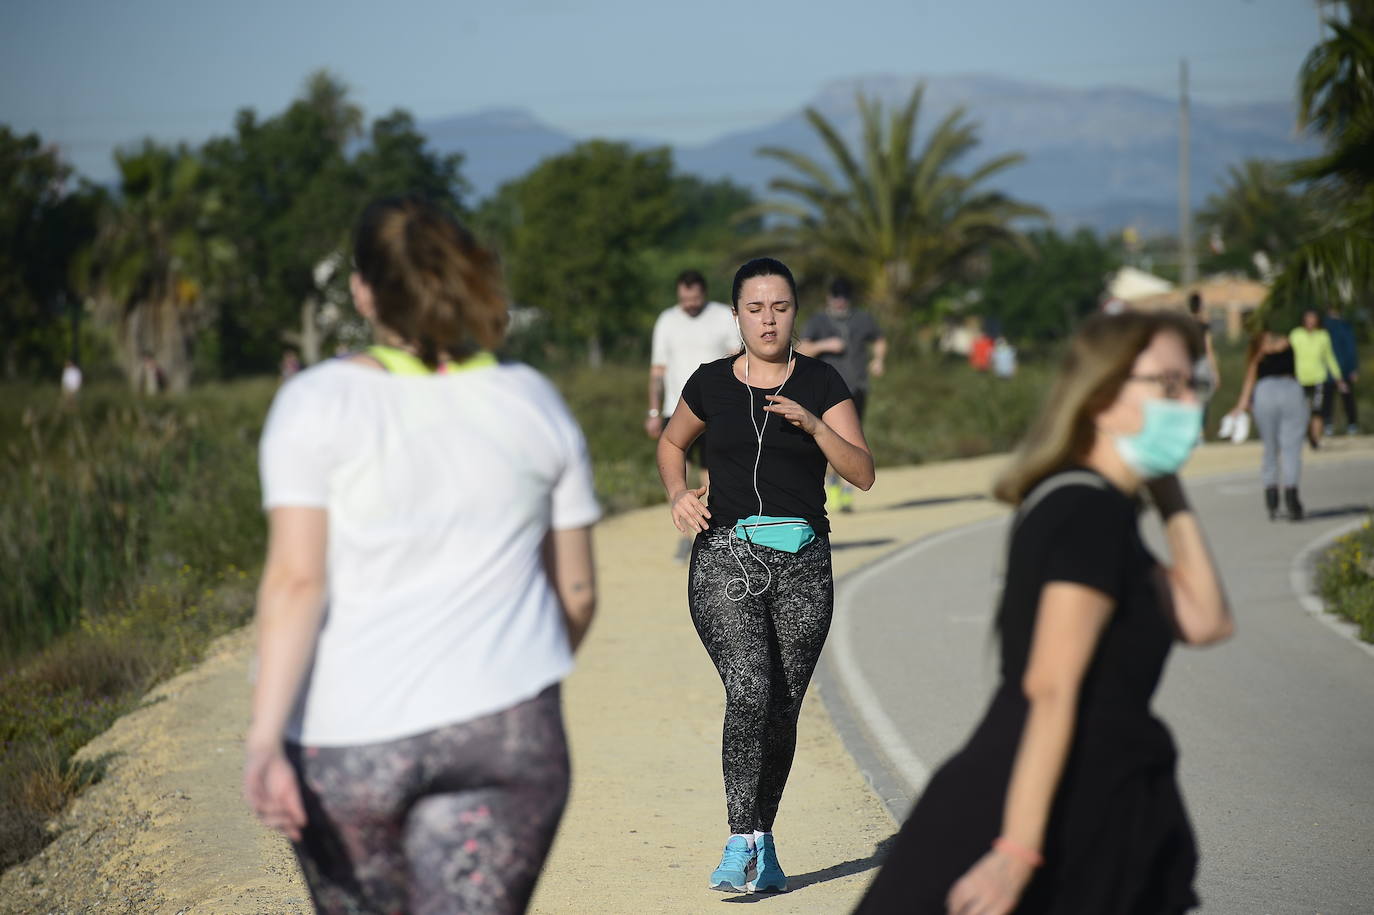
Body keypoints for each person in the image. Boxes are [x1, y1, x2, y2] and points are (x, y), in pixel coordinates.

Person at [244, 195, 600, 914]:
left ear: (362, 290)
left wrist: (262, 740)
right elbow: (579, 593)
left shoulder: (315, 404)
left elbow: (296, 580)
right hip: (506, 731)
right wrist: (511, 674)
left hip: (351, 738)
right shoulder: (532, 399)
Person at [856, 311, 1233, 914]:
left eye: (1193, 385)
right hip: (1035, 804)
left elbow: (1207, 619)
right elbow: (1050, 689)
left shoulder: (1105, 508)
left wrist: (1167, 489)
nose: (1188, 402)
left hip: (1096, 792)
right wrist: (1017, 855)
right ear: (1101, 397)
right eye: (1168, 385)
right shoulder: (1085, 514)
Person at [658, 257, 874, 895]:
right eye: (755, 308)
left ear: (795, 312)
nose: (768, 319)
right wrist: (678, 494)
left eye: (780, 306)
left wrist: (813, 425)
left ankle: (763, 841)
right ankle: (737, 839)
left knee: (782, 709)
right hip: (726, 555)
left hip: (804, 563)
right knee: (750, 689)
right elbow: (673, 446)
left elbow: (861, 471)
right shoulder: (709, 384)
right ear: (736, 315)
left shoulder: (824, 382)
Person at [647, 269, 740, 559]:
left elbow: (737, 354)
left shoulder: (723, 316)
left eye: (695, 298)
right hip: (675, 407)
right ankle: (685, 534)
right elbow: (657, 370)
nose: (690, 303)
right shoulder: (667, 320)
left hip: (715, 407)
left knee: (711, 471)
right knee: (675, 470)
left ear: (704, 293)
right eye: (685, 298)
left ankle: (713, 529)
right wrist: (652, 409)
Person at [798, 277, 886, 512]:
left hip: (857, 387)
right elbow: (801, 349)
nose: (840, 302)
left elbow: (879, 339)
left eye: (844, 297)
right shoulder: (818, 321)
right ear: (829, 297)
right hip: (827, 391)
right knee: (830, 437)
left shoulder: (863, 318)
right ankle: (832, 482)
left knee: (853, 440)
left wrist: (878, 360)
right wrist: (825, 345)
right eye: (836, 297)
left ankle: (847, 491)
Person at [1228, 330, 1307, 520]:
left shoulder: (1261, 356)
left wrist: (1242, 404)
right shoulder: (1264, 355)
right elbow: (1250, 380)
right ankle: (1289, 496)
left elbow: (1249, 382)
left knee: (1272, 448)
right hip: (1289, 391)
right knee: (1290, 449)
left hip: (1266, 394)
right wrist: (1240, 406)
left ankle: (1274, 498)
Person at [1289, 309, 1347, 448]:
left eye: (1313, 318)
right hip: (1299, 378)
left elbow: (1329, 357)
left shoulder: (1323, 336)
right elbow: (1288, 356)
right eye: (1308, 318)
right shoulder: (1296, 335)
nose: (1310, 321)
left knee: (1317, 410)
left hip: (1318, 378)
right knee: (1300, 411)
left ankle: (1315, 438)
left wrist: (1338, 377)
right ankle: (1306, 434)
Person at [1323, 304, 1360, 435]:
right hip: (1340, 370)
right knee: (1344, 398)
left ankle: (1329, 425)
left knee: (1330, 399)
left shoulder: (1324, 326)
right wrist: (1353, 368)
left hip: (1330, 371)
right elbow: (1351, 350)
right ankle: (1351, 424)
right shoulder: (1343, 326)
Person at [1188, 293, 1221, 435]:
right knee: (1204, 399)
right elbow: (1209, 349)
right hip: (1201, 364)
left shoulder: (1185, 324)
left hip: (1188, 363)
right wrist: (1215, 372)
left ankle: (1192, 431)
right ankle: (1199, 431)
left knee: (1190, 398)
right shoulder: (1204, 326)